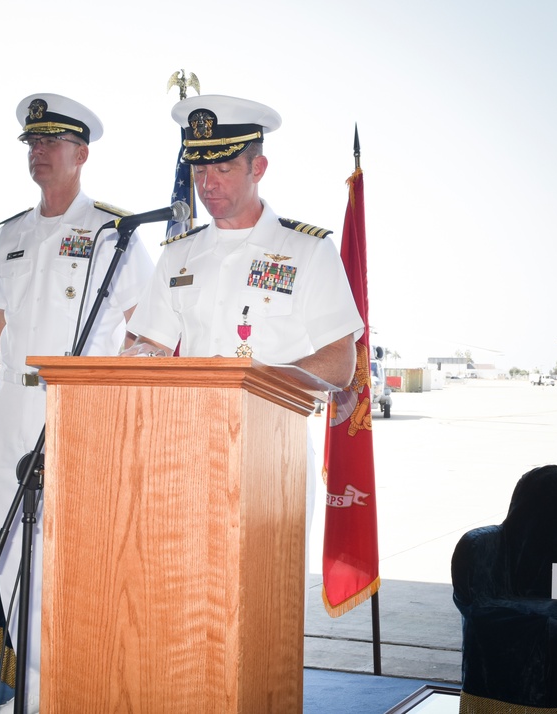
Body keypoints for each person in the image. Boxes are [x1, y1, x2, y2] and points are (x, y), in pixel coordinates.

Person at [124, 94, 365, 598]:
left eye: (224, 168)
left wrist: (253, 384)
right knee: (180, 588)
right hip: (181, 447)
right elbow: (147, 343)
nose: (207, 183)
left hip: (268, 451)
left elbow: (339, 362)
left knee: (262, 593)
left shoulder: (307, 251)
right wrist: (138, 358)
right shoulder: (178, 255)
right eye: (199, 168)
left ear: (259, 166)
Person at [0, 93, 154, 714]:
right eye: (33, 143)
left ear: (82, 154)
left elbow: (144, 329)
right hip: (12, 408)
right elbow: (2, 323)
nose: (40, 153)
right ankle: (30, 692)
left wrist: (117, 409)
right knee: (10, 550)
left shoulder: (115, 231)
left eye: (53, 143)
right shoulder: (10, 235)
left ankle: (73, 688)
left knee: (73, 553)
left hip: (81, 414)